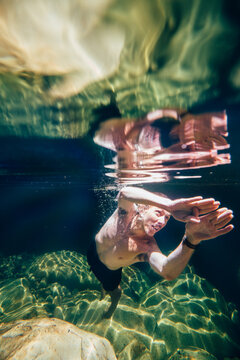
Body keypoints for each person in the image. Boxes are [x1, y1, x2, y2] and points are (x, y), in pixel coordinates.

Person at [87, 186, 233, 318]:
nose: (162, 222)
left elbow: (166, 271)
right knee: (102, 280)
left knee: (116, 293)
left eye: (167, 218)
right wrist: (169, 206)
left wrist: (191, 240)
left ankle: (110, 308)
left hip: (110, 271)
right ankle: (103, 286)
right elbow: (124, 193)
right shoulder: (125, 214)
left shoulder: (147, 245)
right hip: (92, 252)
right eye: (158, 213)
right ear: (143, 209)